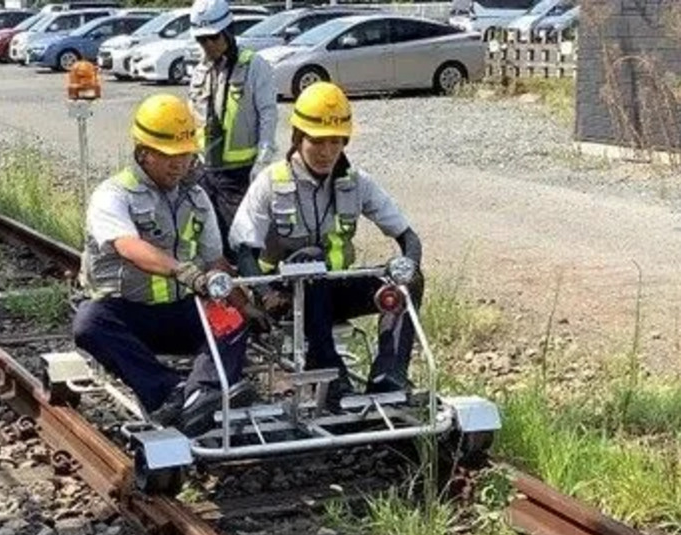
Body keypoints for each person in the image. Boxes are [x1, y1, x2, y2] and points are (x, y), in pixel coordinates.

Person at [229, 81, 423, 409]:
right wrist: (265, 296)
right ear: (297, 138)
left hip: (335, 289)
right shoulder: (271, 183)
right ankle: (330, 374)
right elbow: (243, 248)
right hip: (285, 295)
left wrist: (408, 266)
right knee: (310, 259)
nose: (326, 152)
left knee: (410, 281)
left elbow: (408, 236)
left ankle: (388, 376)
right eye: (317, 142)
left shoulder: (357, 183)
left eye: (335, 142)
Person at [73, 93, 256, 437]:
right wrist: (183, 270)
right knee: (88, 322)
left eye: (185, 154)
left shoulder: (197, 198)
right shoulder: (113, 195)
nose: (179, 164)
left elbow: (215, 260)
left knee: (231, 318)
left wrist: (243, 303)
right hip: (127, 311)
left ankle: (201, 393)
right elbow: (128, 246)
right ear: (143, 153)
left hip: (180, 309)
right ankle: (168, 392)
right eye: (168, 155)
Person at [188, 0, 277, 252]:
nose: (208, 45)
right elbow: (191, 115)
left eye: (213, 38)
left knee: (241, 240)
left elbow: (268, 114)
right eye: (201, 40)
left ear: (228, 31)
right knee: (208, 239)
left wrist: (263, 159)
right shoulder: (200, 70)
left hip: (240, 173)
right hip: (205, 170)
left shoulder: (253, 65)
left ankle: (250, 286)